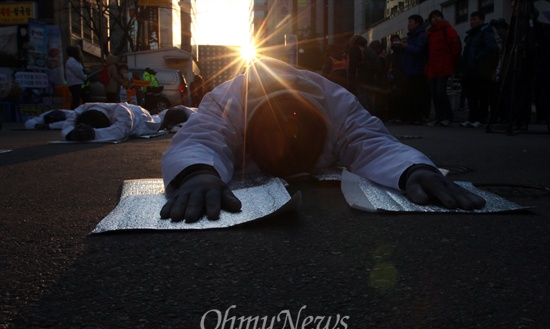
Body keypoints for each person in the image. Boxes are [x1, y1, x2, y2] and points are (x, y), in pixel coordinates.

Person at [159, 57, 485, 223]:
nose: (288, 152)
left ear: (321, 126)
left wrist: (414, 168)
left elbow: (370, 141)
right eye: (275, 138)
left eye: (299, 140)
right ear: (251, 130)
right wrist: (198, 172)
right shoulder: (229, 102)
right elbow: (202, 136)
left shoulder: (336, 104)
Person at [60, 103, 195, 141]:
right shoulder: (83, 109)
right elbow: (69, 122)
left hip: (145, 117)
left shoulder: (123, 113)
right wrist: (70, 134)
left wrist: (93, 134)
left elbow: (120, 131)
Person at [460, 11, 499, 128]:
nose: (472, 22)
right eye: (471, 20)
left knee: (481, 95)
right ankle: (472, 118)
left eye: (474, 19)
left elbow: (491, 48)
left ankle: (481, 119)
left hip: (479, 69)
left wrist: (478, 58)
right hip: (469, 69)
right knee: (471, 96)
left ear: (481, 20)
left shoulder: (485, 32)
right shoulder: (472, 35)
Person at [424, 10, 462, 127]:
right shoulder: (430, 33)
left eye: (437, 16)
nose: (435, 19)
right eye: (432, 17)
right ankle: (439, 117)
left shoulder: (448, 30)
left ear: (441, 18)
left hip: (444, 66)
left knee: (441, 92)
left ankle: (447, 116)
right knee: (435, 93)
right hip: (433, 67)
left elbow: (456, 48)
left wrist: (452, 62)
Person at [397, 14, 431, 125]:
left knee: (418, 95)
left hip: (418, 69)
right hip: (409, 70)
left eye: (411, 21)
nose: (409, 24)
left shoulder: (422, 36)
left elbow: (420, 50)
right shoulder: (410, 36)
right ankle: (412, 117)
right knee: (410, 95)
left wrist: (406, 47)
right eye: (408, 21)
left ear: (417, 23)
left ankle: (419, 117)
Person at [386, 34, 407, 123]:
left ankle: (402, 116)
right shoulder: (391, 55)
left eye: (397, 41)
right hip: (394, 78)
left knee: (402, 98)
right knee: (395, 98)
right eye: (394, 41)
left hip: (403, 77)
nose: (396, 43)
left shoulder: (404, 52)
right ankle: (395, 116)